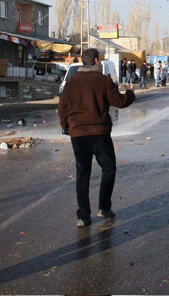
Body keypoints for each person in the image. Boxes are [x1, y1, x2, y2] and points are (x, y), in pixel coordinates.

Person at [58, 48, 135, 227]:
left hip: (78, 134)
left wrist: (66, 127)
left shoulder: (71, 82)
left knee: (83, 173)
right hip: (99, 134)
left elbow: (62, 108)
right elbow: (120, 102)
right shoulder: (103, 80)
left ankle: (83, 216)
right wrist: (130, 93)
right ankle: (104, 208)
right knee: (109, 168)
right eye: (99, 60)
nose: (100, 63)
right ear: (95, 61)